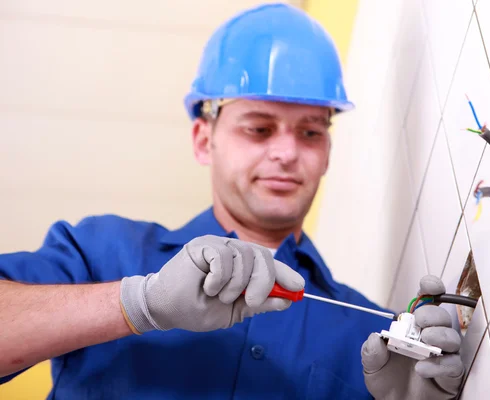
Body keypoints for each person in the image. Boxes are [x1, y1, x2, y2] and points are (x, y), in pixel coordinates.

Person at [0, 4, 464, 399]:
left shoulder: (374, 338)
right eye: (259, 128)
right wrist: (139, 305)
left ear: (327, 152)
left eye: (310, 132)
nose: (286, 152)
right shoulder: (100, 251)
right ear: (204, 139)